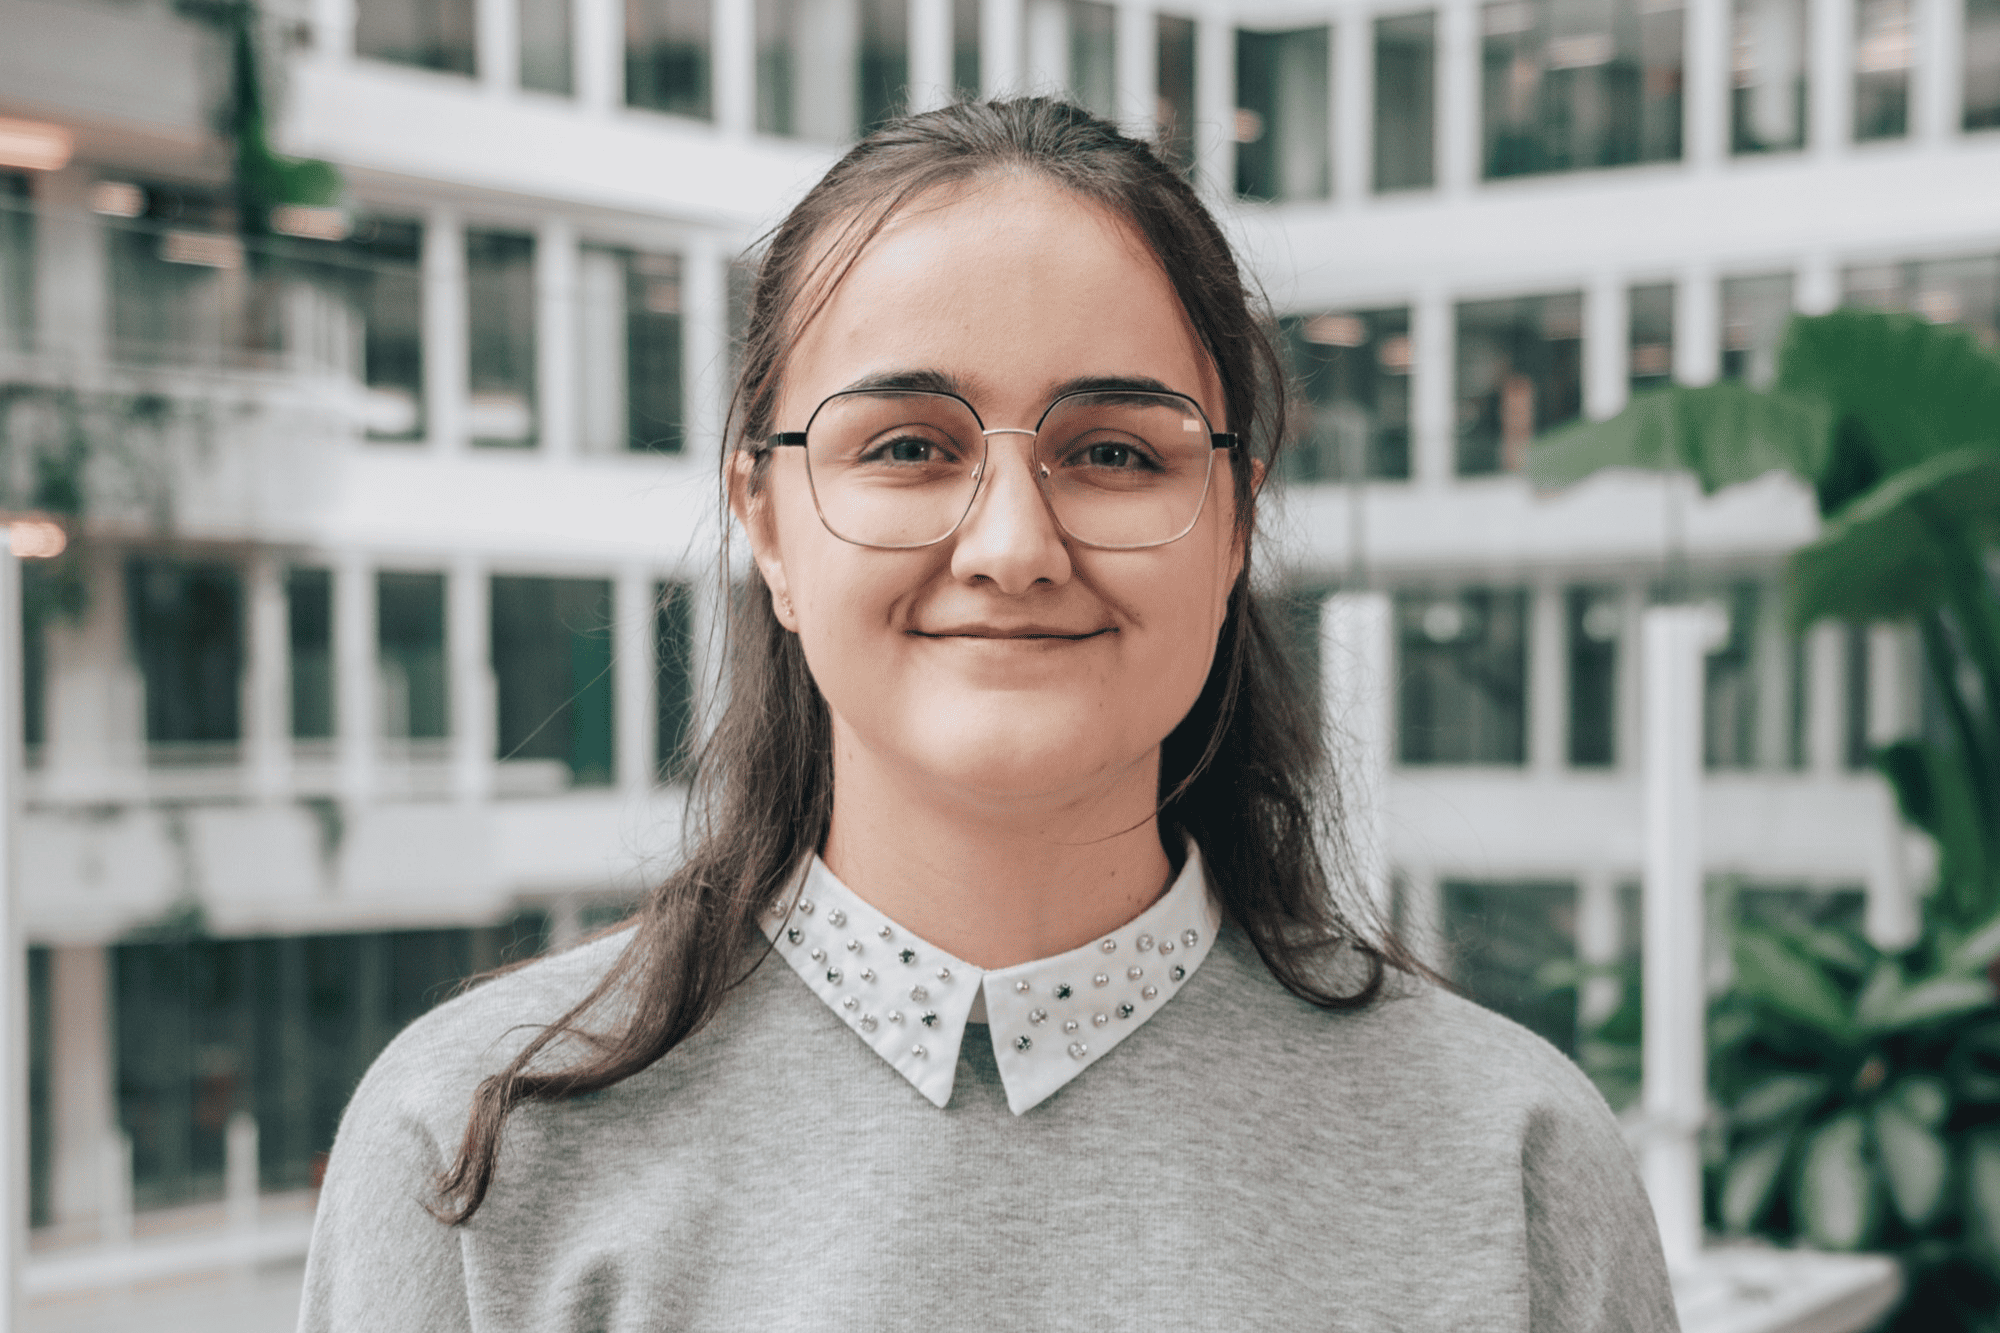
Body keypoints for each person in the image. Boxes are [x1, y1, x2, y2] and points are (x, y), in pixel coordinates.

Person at [299, 98, 1677, 1332]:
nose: (1013, 544)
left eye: (1114, 453)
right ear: (767, 521)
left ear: (1236, 522)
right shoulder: (478, 1145)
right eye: (909, 445)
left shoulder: (1516, 1159)